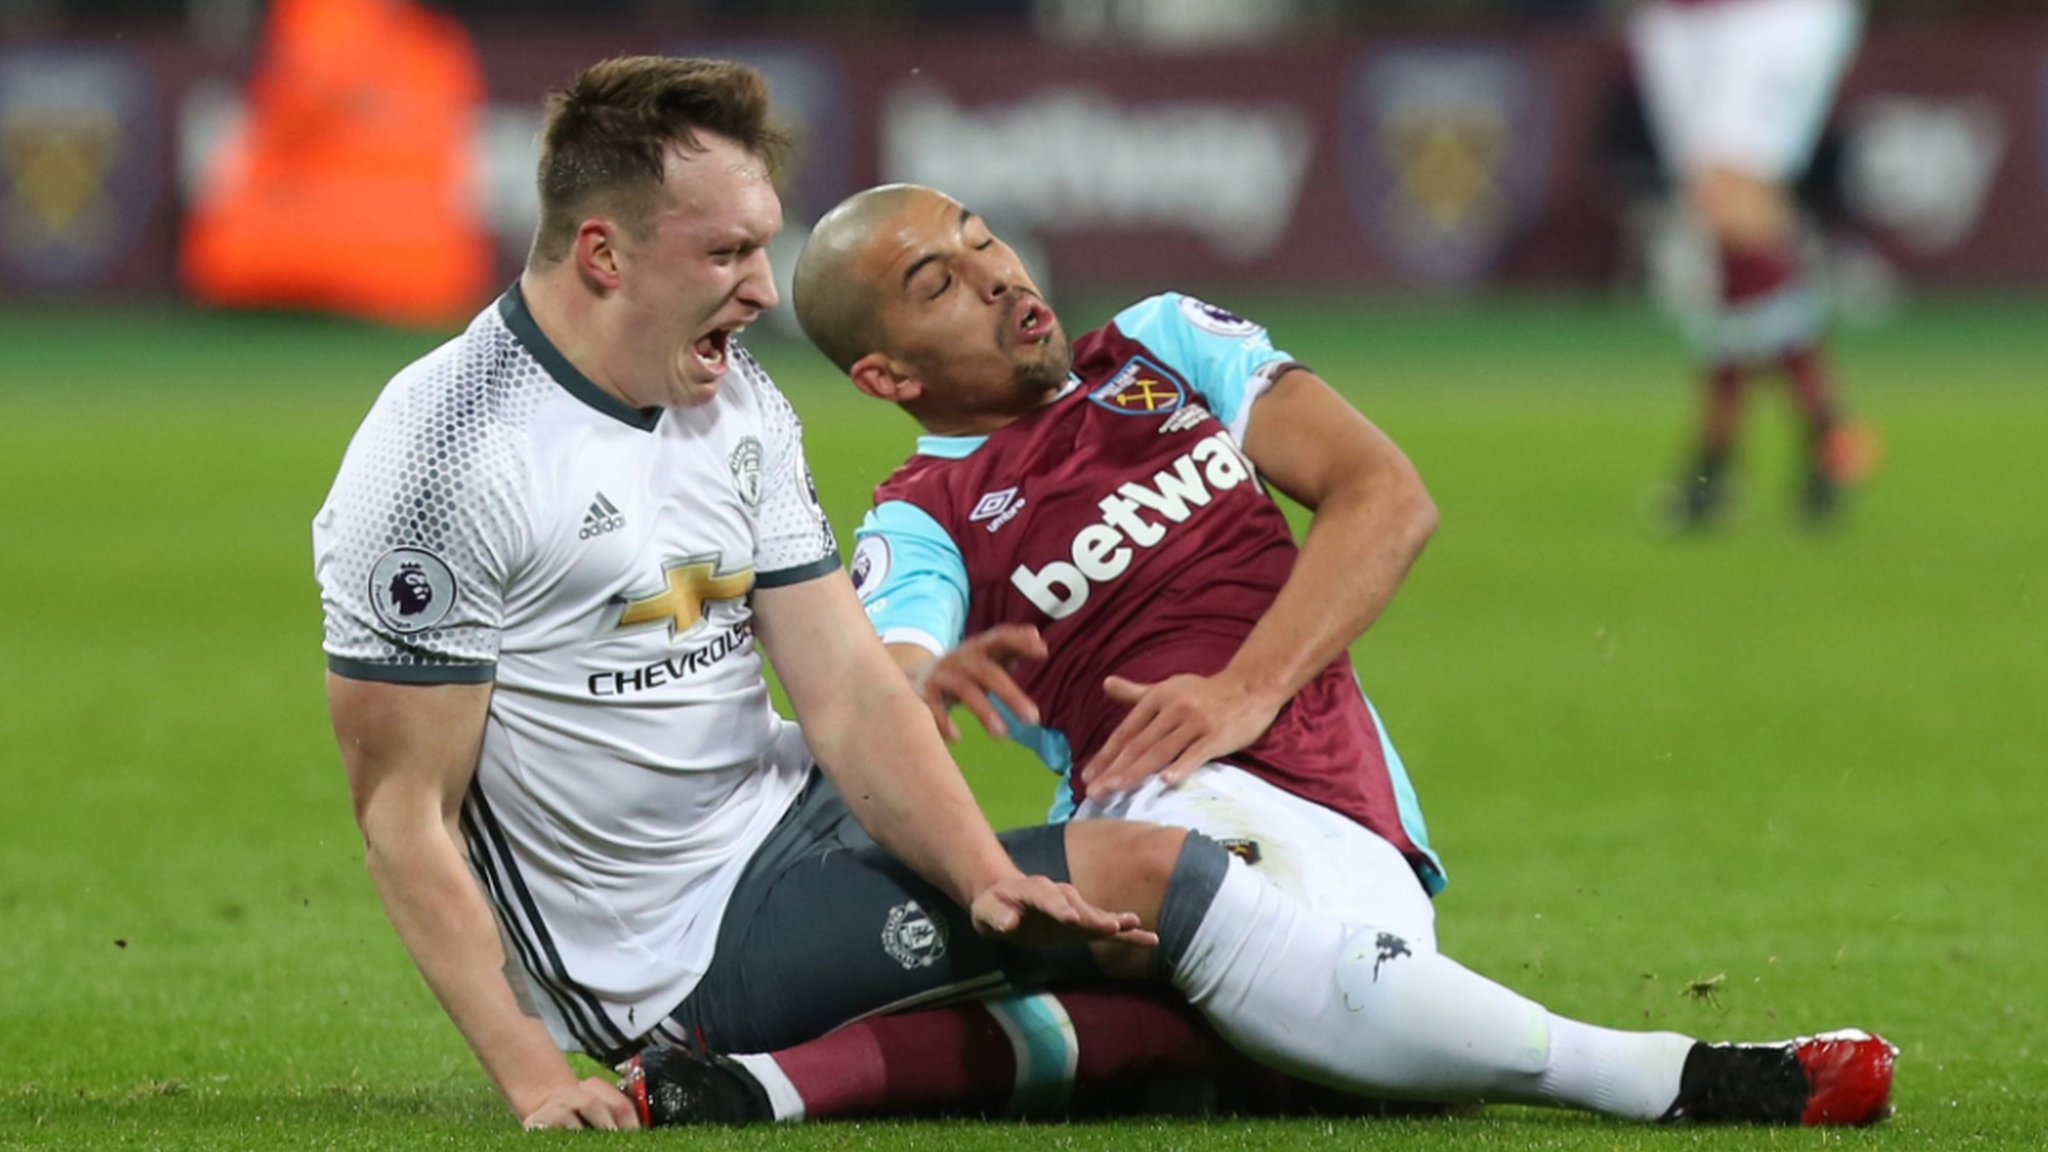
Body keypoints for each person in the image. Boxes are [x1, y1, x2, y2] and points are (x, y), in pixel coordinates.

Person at [631, 182, 1896, 1129]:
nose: (996, 273)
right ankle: (1675, 1078)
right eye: (937, 283)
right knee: (1304, 998)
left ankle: (766, 1091)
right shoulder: (922, 513)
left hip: (1340, 803)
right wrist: (913, 678)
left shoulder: (1163, 342)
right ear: (883, 371)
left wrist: (1246, 686)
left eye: (980, 238)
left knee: (1280, 1046)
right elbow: (882, 664)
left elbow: (1381, 495)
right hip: (1160, 811)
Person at [1629, 0, 1878, 526]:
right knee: (1733, 221)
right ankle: (1822, 435)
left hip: (1769, 14)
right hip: (1676, 20)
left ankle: (1720, 458)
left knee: (1729, 198)